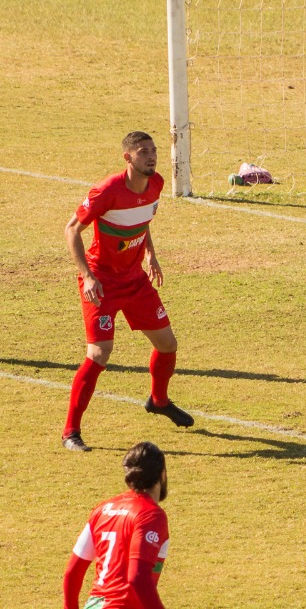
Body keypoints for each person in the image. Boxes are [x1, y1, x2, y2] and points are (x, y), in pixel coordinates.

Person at [63, 132, 194, 453]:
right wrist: (88, 276)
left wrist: (150, 253)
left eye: (154, 151)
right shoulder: (107, 191)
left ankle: (158, 400)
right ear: (128, 158)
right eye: (143, 152)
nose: (151, 156)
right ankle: (70, 432)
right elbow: (71, 230)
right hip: (102, 282)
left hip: (135, 281)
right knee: (98, 355)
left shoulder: (156, 184)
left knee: (167, 344)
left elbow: (141, 220)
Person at [63, 441, 171, 609]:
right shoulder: (151, 515)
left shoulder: (102, 510)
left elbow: (72, 573)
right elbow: (138, 578)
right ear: (162, 474)